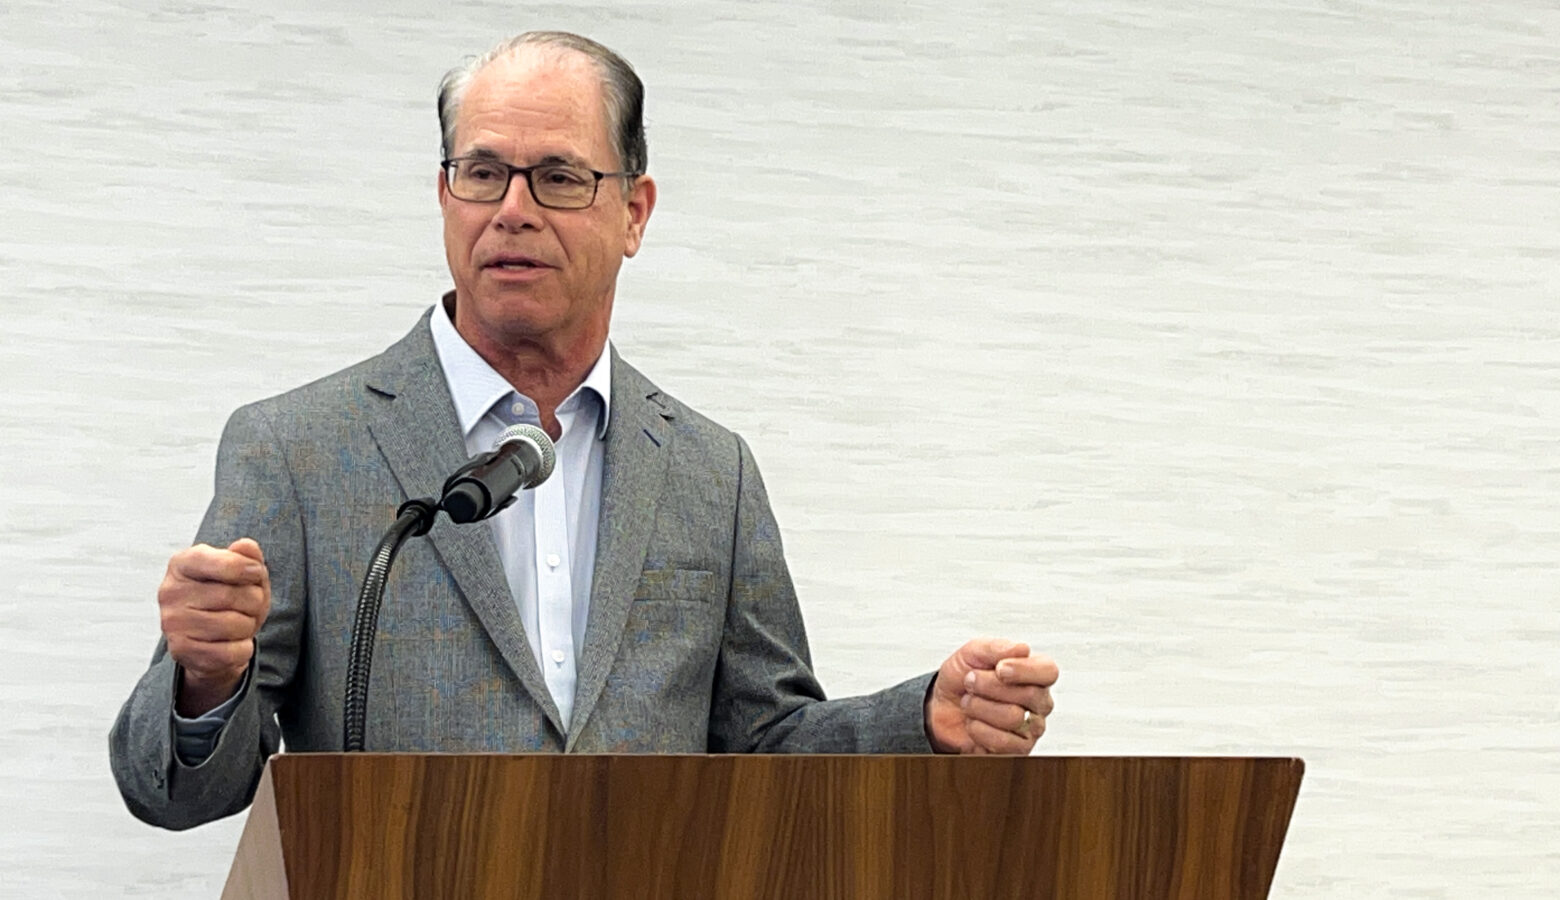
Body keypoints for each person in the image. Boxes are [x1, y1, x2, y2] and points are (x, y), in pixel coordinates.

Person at [109, 31, 1059, 831]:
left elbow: (765, 748)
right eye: (483, 172)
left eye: (559, 176)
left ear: (633, 212)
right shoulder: (299, 448)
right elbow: (173, 791)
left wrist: (920, 720)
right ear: (444, 195)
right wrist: (203, 680)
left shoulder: (706, 469)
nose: (512, 209)